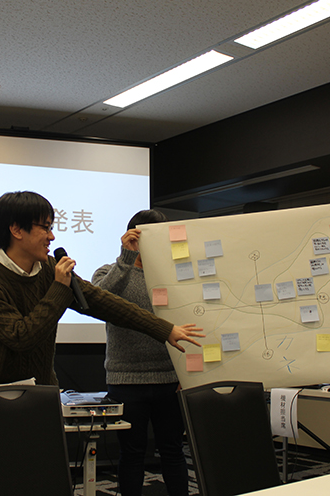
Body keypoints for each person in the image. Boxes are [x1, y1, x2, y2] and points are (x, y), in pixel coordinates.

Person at [0, 191, 203, 495]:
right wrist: (59, 288)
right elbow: (21, 336)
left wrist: (165, 329)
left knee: (37, 482)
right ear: (16, 230)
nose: (52, 236)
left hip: (39, 395)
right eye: (44, 228)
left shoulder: (48, 271)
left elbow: (105, 303)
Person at [92, 209, 188, 496]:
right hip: (126, 379)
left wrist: (187, 373)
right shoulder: (108, 271)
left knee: (172, 450)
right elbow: (99, 301)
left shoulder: (173, 273)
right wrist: (126, 258)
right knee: (132, 453)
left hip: (169, 379)